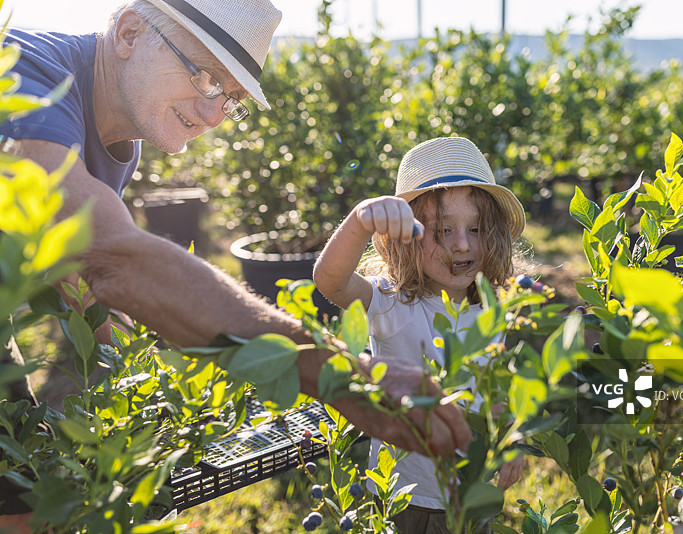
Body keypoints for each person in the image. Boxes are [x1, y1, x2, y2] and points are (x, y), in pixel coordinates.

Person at [0, 0, 471, 527]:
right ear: (130, 32)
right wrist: (339, 376)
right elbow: (114, 257)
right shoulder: (21, 73)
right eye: (206, 77)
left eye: (232, 100)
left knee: (21, 505)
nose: (212, 116)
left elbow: (80, 278)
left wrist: (146, 388)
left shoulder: (117, 141)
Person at [313, 136, 528, 533]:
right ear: (404, 236)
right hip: (405, 497)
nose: (461, 245)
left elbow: (493, 386)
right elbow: (331, 281)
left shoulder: (492, 306)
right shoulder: (391, 302)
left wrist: (509, 439)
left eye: (476, 229)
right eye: (443, 230)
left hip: (471, 492)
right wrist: (361, 220)